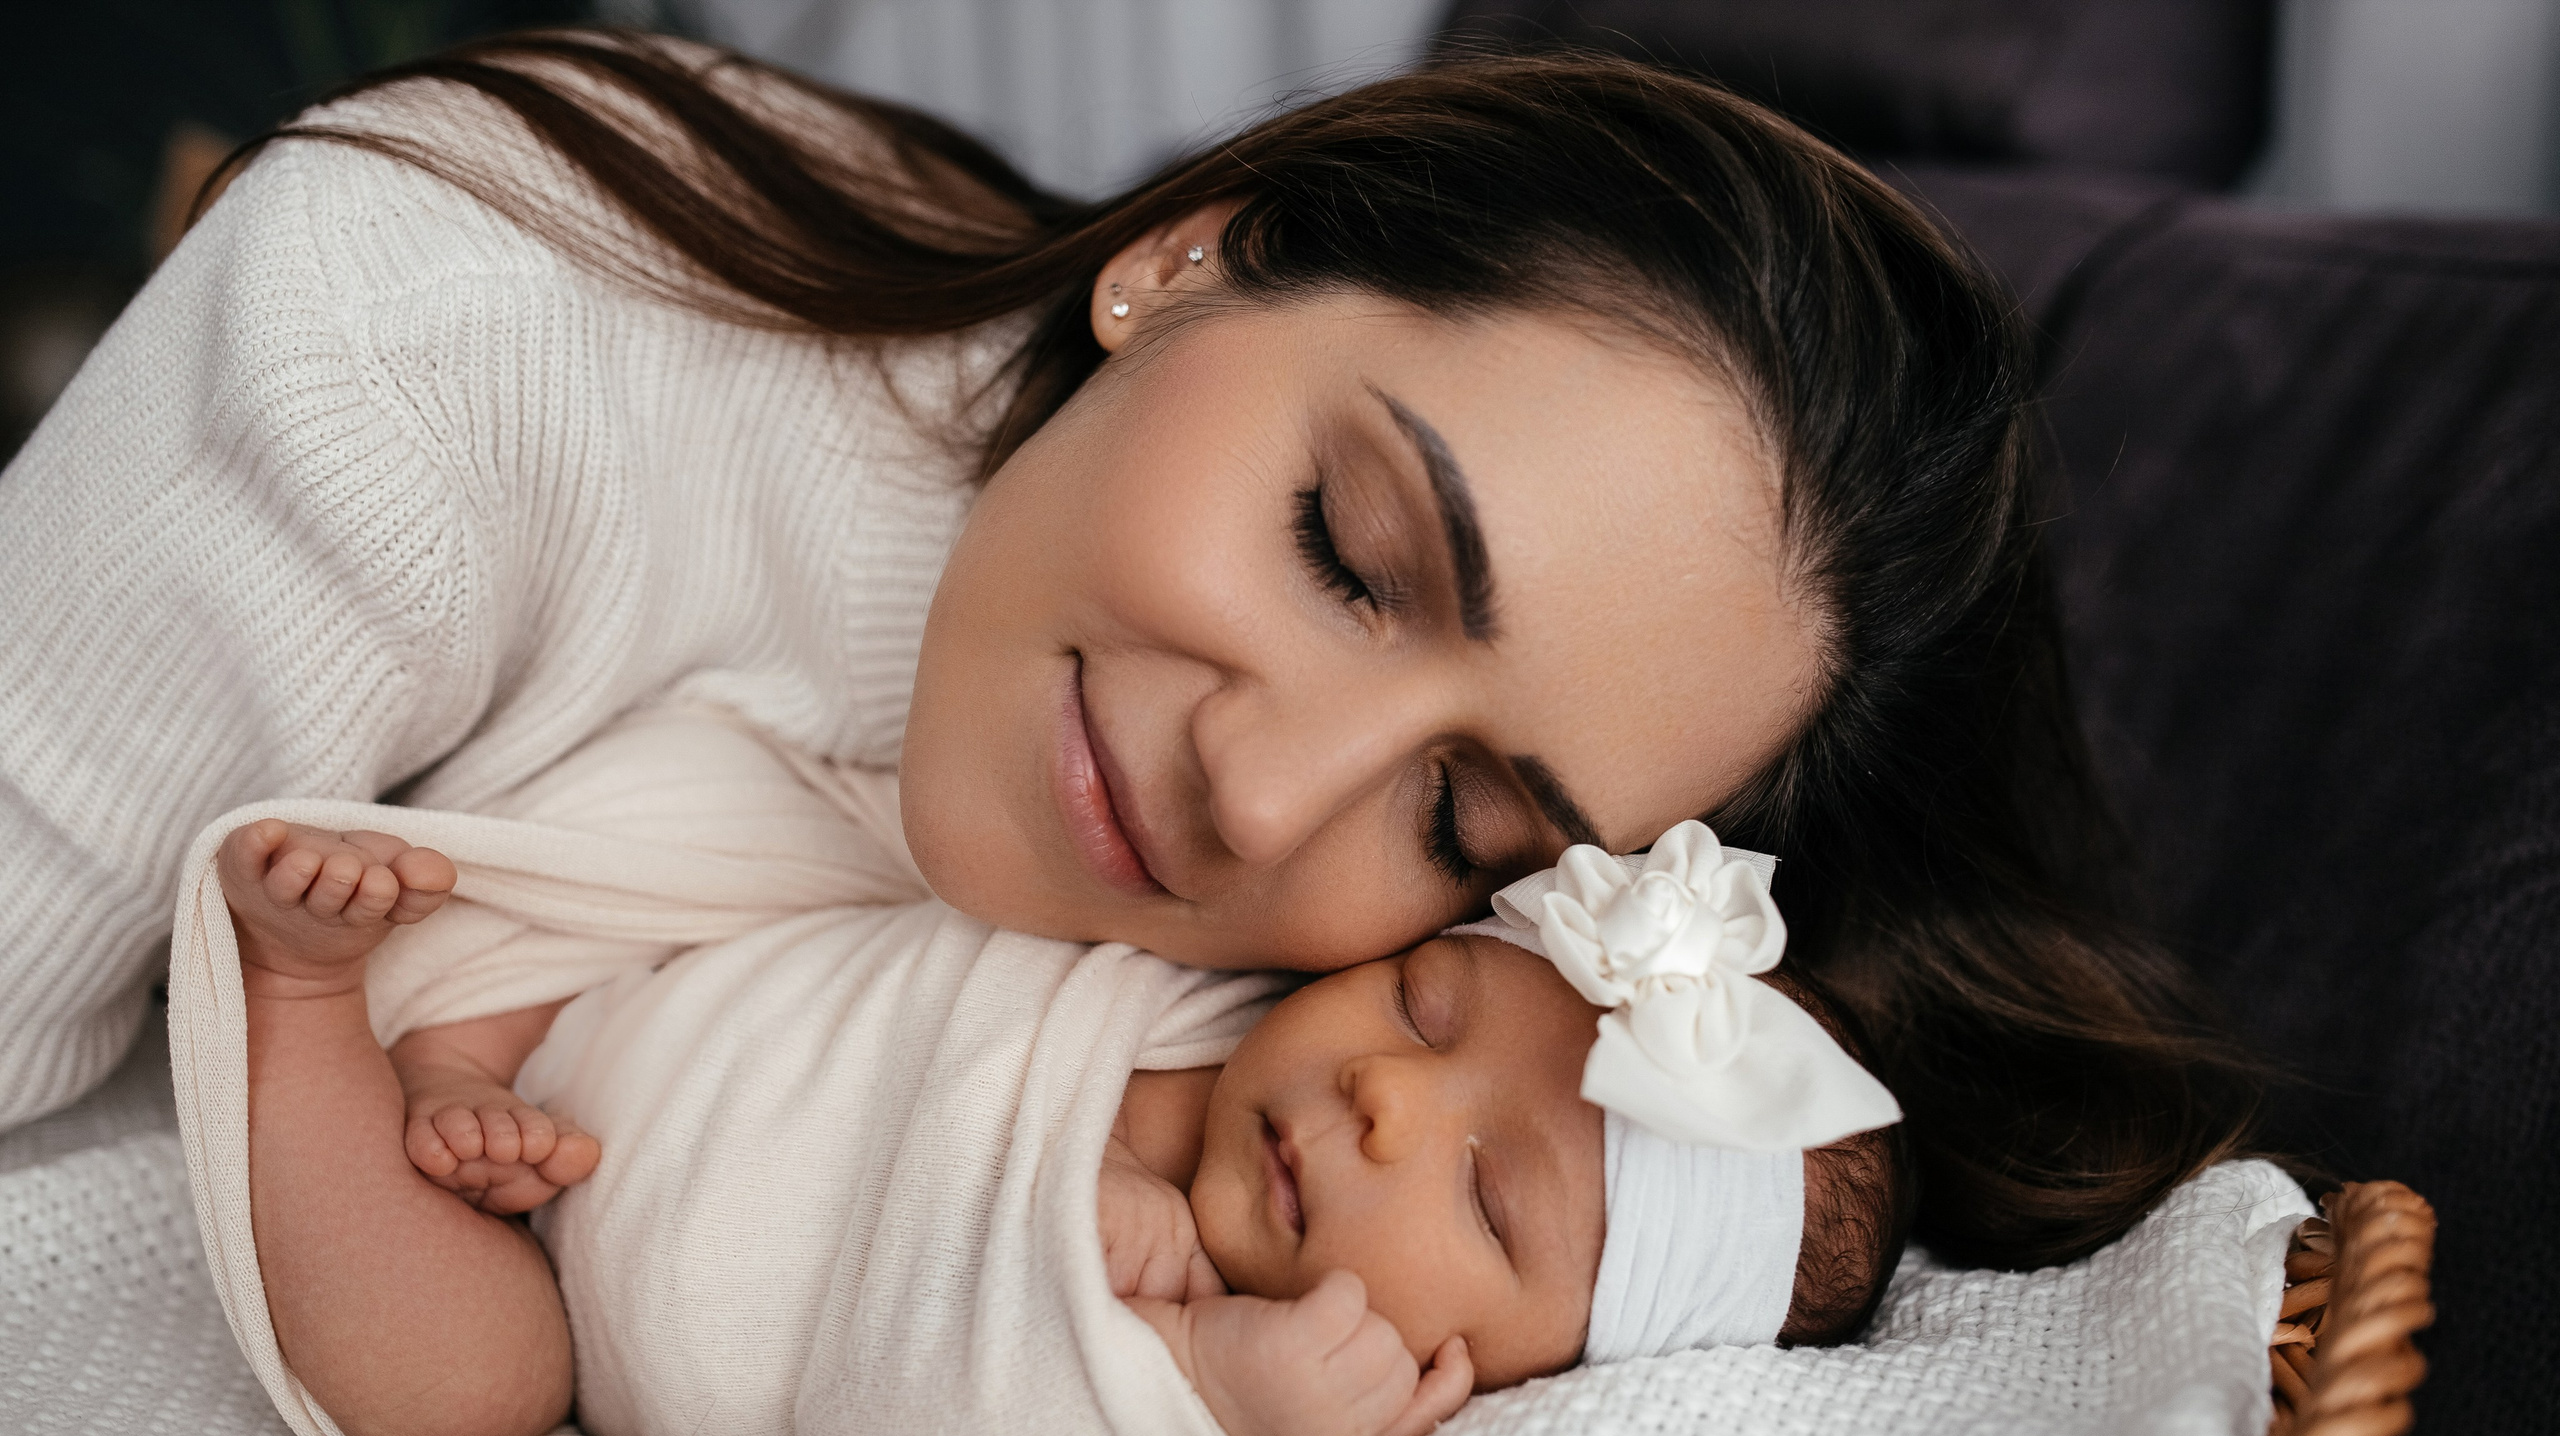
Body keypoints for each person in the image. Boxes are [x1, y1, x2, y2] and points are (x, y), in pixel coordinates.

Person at [0, 29, 2256, 1268]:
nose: (1262, 803)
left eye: (1465, 809)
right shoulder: (414, 338)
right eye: (1347, 551)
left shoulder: (1361, 1033)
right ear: (1186, 259)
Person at [209, 752, 1908, 1436]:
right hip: (636, 1000)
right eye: (1421, 1001)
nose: (1388, 1096)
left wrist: (1207, 1397)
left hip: (578, 1322)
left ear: (1512, 1380)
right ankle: (447, 1044)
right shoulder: (1210, 987)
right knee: (754, 808)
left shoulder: (1213, 1398)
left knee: (438, 1385)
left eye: (1482, 1191)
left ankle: (300, 1008)